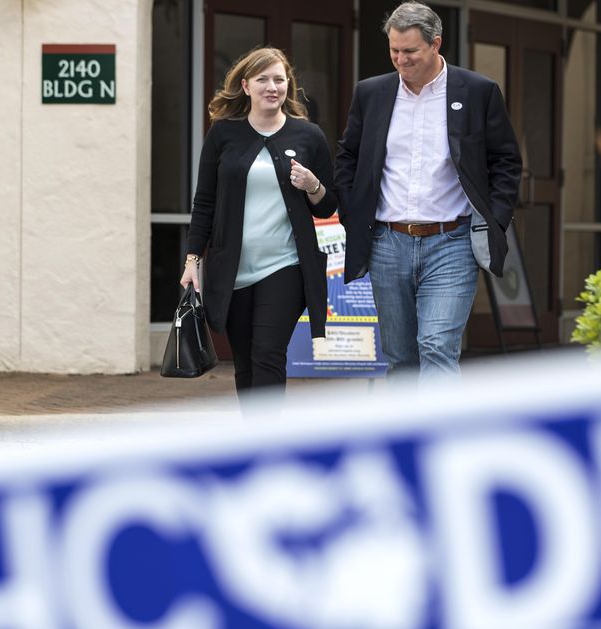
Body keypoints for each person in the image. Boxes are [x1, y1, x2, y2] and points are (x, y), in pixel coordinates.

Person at [334, 1, 521, 381]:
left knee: (436, 345)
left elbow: (506, 161)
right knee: (401, 357)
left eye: (410, 52)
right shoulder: (371, 93)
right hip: (387, 242)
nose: (400, 60)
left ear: (436, 44)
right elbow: (348, 155)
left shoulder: (477, 91)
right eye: (394, 51)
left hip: (451, 241)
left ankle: (441, 438)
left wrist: (494, 220)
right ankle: (407, 439)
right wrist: (353, 211)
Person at [181, 47, 336, 407]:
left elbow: (328, 204)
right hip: (232, 269)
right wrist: (192, 260)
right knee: (246, 363)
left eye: (279, 79)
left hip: (285, 265)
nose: (272, 87)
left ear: (288, 86)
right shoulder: (223, 134)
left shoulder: (309, 135)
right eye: (263, 79)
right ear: (246, 85)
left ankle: (268, 443)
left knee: (268, 354)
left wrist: (313, 185)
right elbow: (204, 202)